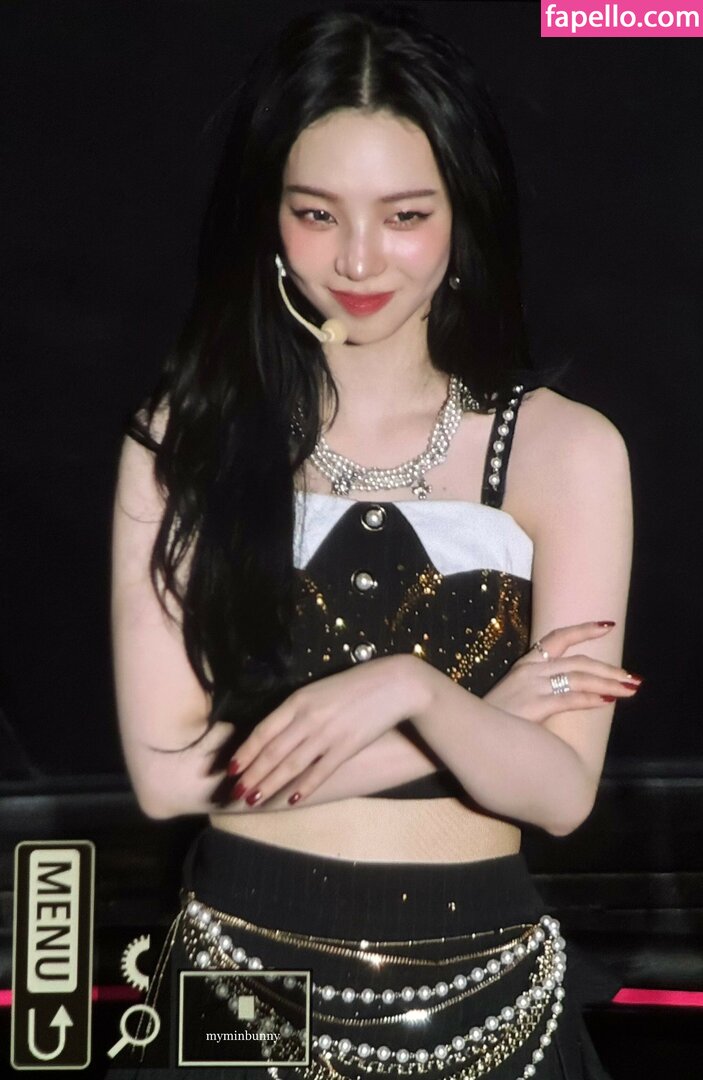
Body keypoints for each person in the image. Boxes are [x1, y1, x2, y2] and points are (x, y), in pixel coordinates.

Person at [111, 7, 634, 1079]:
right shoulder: (183, 438)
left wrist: (412, 689)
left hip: (489, 991)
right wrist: (470, 721)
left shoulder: (564, 449)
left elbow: (558, 793)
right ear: (270, 215)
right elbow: (165, 780)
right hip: (235, 985)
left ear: (461, 214)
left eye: (404, 215)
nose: (357, 258)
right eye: (316, 213)